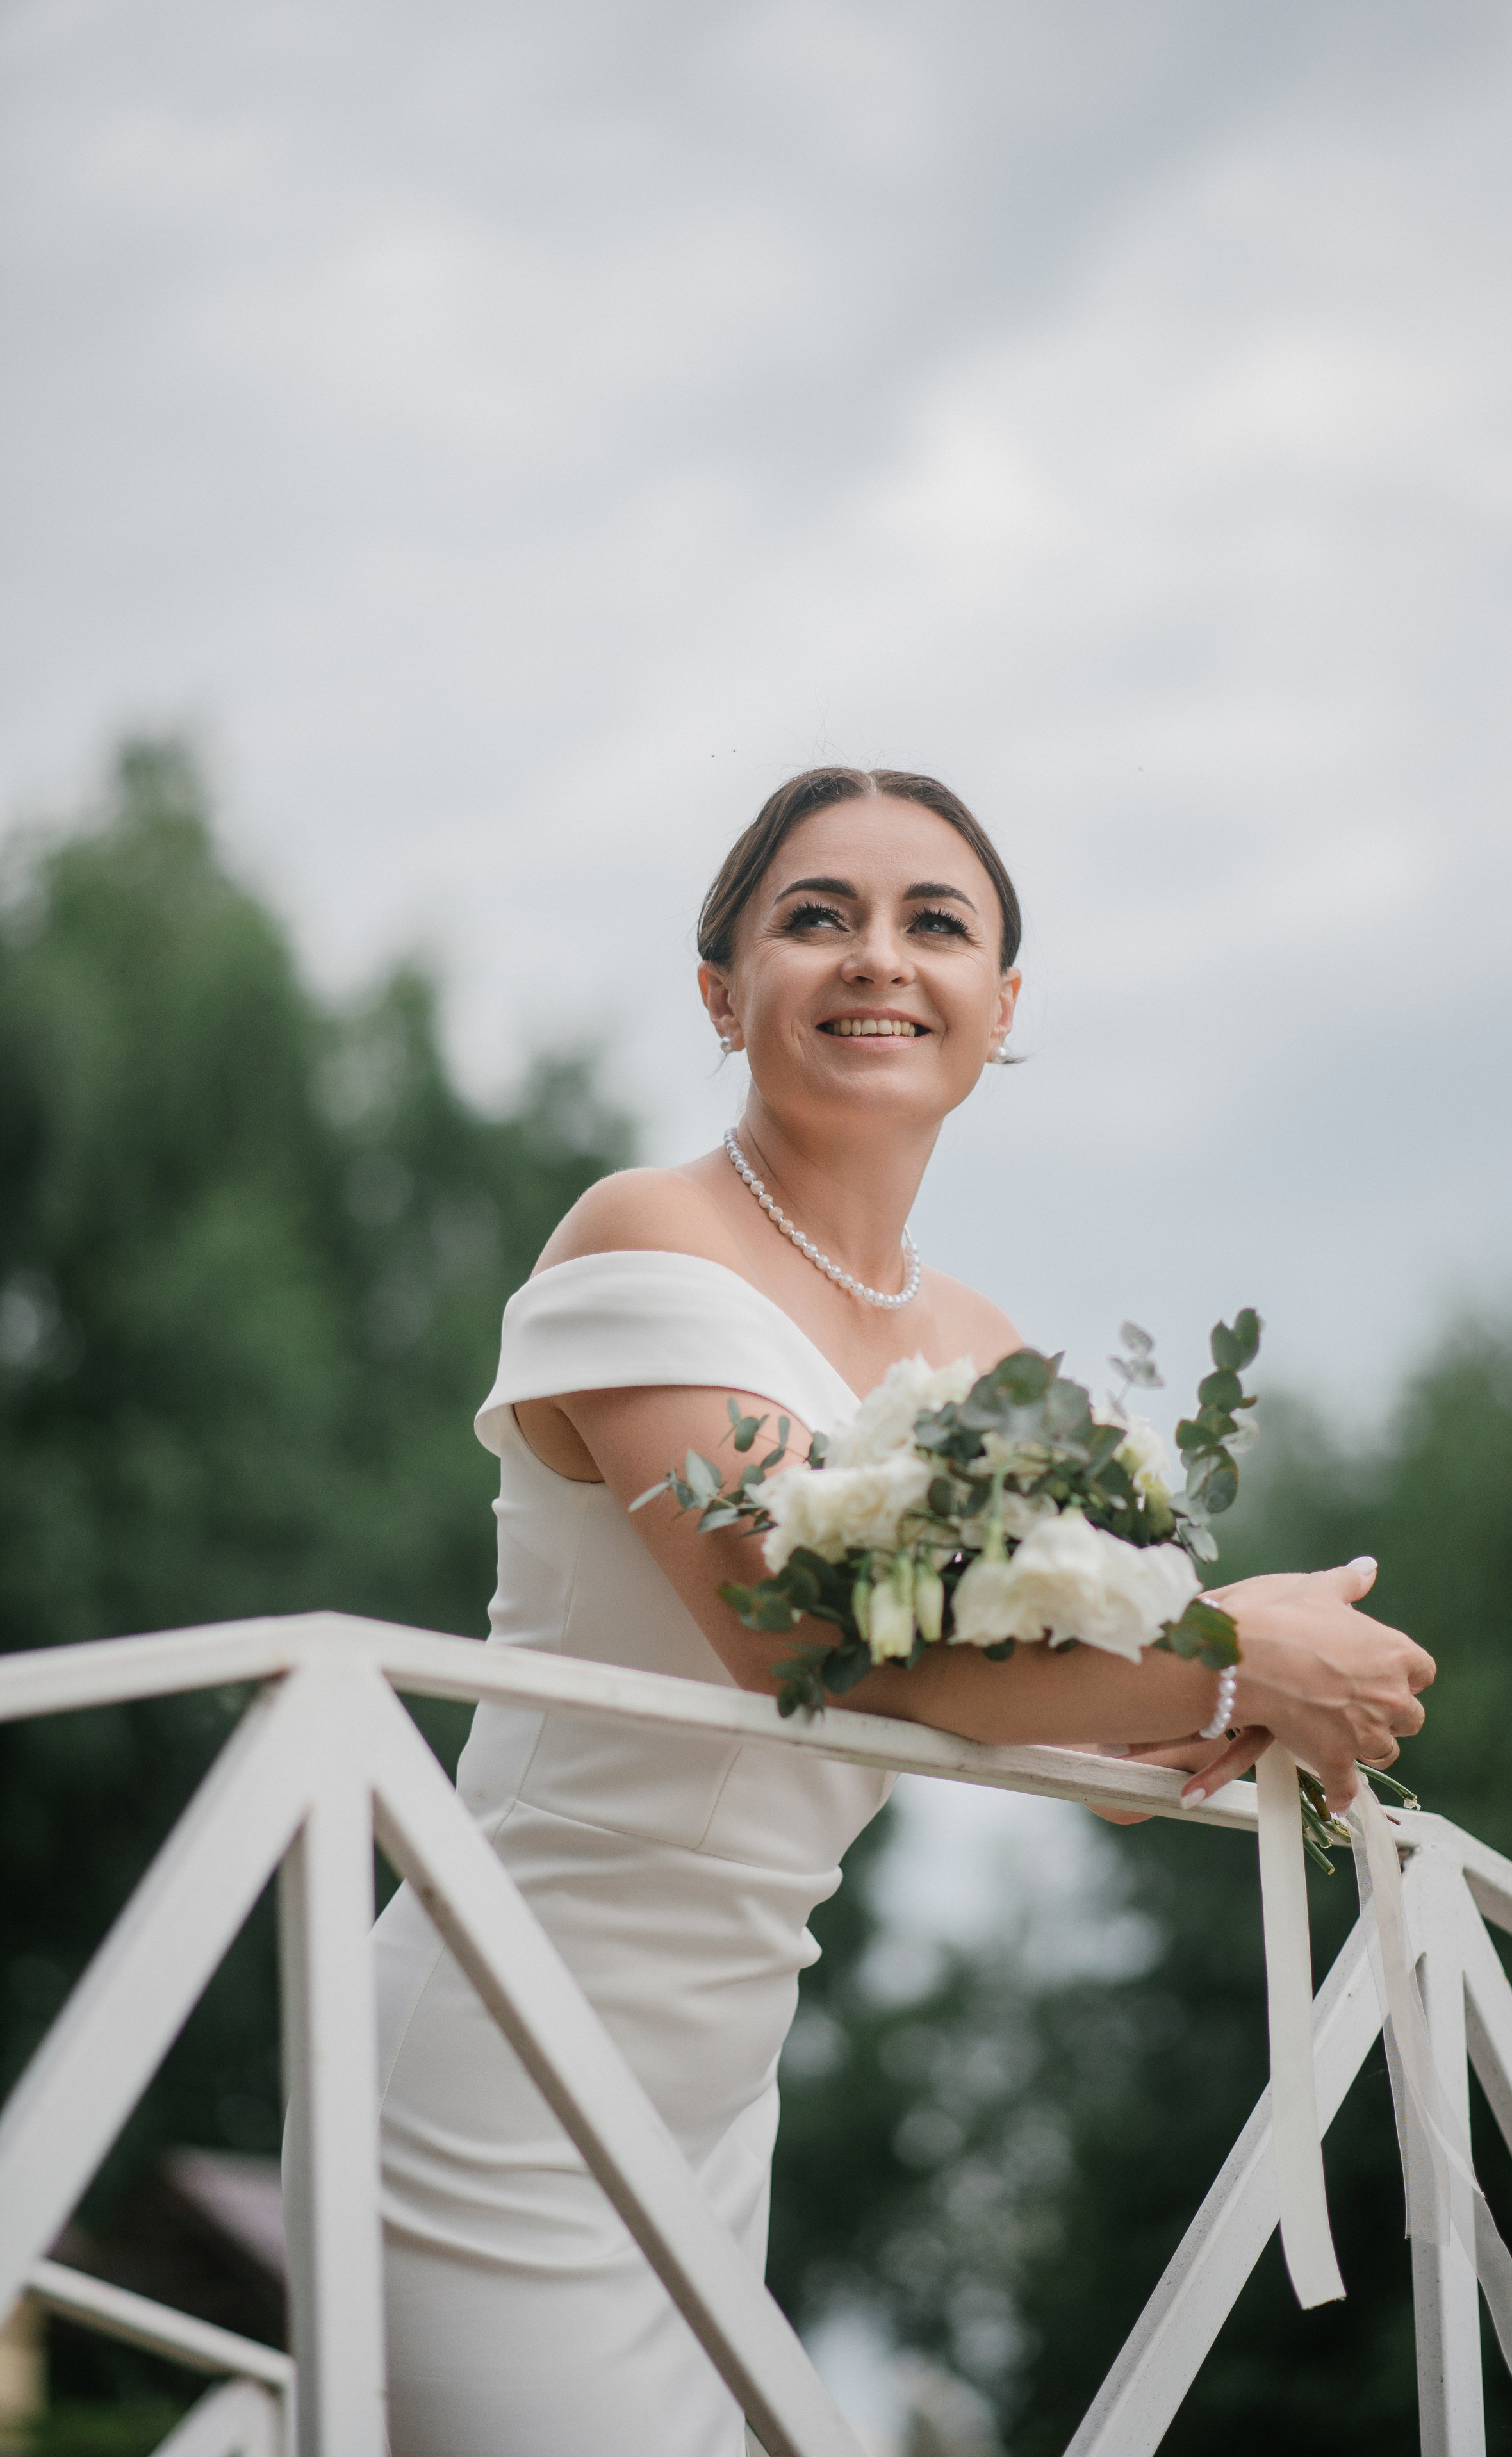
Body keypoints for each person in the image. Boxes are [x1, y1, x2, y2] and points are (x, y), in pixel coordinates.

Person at [373, 765, 1434, 2454]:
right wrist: (1236, 1656)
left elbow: (1070, 1711)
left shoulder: (991, 1359)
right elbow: (810, 1640)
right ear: (723, 992)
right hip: (503, 2058)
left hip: (719, 2104)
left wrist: (1245, 1674)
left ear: (1001, 1006)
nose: (877, 957)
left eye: (933, 923)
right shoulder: (637, 1239)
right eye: (816, 918)